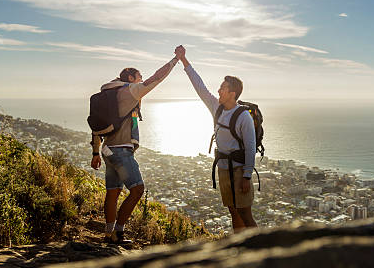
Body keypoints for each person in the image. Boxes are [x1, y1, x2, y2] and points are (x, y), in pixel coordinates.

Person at [91, 56, 178, 243]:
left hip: (108, 150)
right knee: (137, 190)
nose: (141, 79)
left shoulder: (109, 94)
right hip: (121, 151)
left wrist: (96, 152)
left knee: (113, 192)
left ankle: (108, 233)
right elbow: (156, 78)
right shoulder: (129, 91)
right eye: (139, 76)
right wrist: (175, 60)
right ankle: (119, 233)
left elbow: (96, 124)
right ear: (130, 78)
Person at [174, 45, 257, 232]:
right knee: (233, 211)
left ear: (232, 93)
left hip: (238, 170)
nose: (219, 90)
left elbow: (251, 148)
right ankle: (240, 245)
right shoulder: (217, 108)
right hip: (223, 168)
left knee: (245, 213)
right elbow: (199, 86)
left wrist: (247, 176)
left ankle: (260, 249)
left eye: (223, 88)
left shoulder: (243, 116)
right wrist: (184, 60)